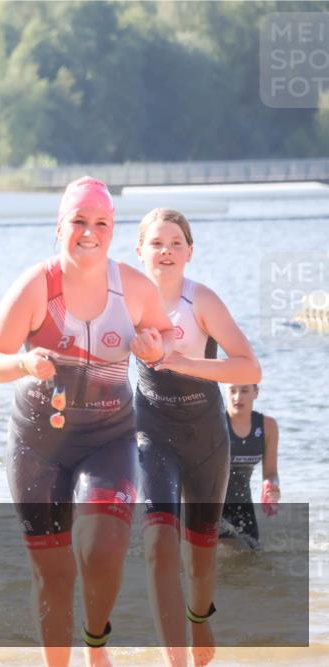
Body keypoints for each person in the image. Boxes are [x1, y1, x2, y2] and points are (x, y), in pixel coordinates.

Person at [0, 177, 174, 667]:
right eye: (79, 222)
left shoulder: (133, 286)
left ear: (112, 229)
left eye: (101, 223)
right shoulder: (36, 286)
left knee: (102, 547)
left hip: (109, 437)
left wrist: (155, 348)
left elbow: (165, 337)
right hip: (37, 445)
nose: (90, 232)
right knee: (53, 574)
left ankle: (96, 644)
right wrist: (23, 364)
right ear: (59, 227)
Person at [134, 208, 261, 667]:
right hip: (152, 432)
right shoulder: (125, 300)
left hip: (207, 436)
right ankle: (174, 657)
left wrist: (181, 363)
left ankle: (199, 615)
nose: (165, 251)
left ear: (189, 251)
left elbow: (249, 367)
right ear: (139, 251)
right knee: (156, 542)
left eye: (175, 243)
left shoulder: (201, 300)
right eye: (156, 243)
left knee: (200, 554)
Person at [220, 383, 279, 549]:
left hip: (243, 505)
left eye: (244, 390)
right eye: (232, 390)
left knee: (253, 556)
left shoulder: (268, 426)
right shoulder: (216, 424)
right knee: (229, 550)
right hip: (212, 504)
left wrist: (272, 487)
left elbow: (271, 473)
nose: (238, 397)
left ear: (256, 392)